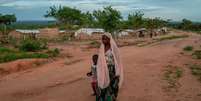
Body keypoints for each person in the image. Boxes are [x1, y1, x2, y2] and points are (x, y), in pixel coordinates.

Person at [96, 33, 123, 101]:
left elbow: (118, 61)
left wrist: (118, 71)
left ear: (109, 39)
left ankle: (113, 98)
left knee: (113, 85)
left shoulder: (113, 48)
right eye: (102, 39)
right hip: (103, 70)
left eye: (105, 38)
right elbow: (99, 61)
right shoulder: (101, 48)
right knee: (103, 84)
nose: (103, 40)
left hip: (112, 70)